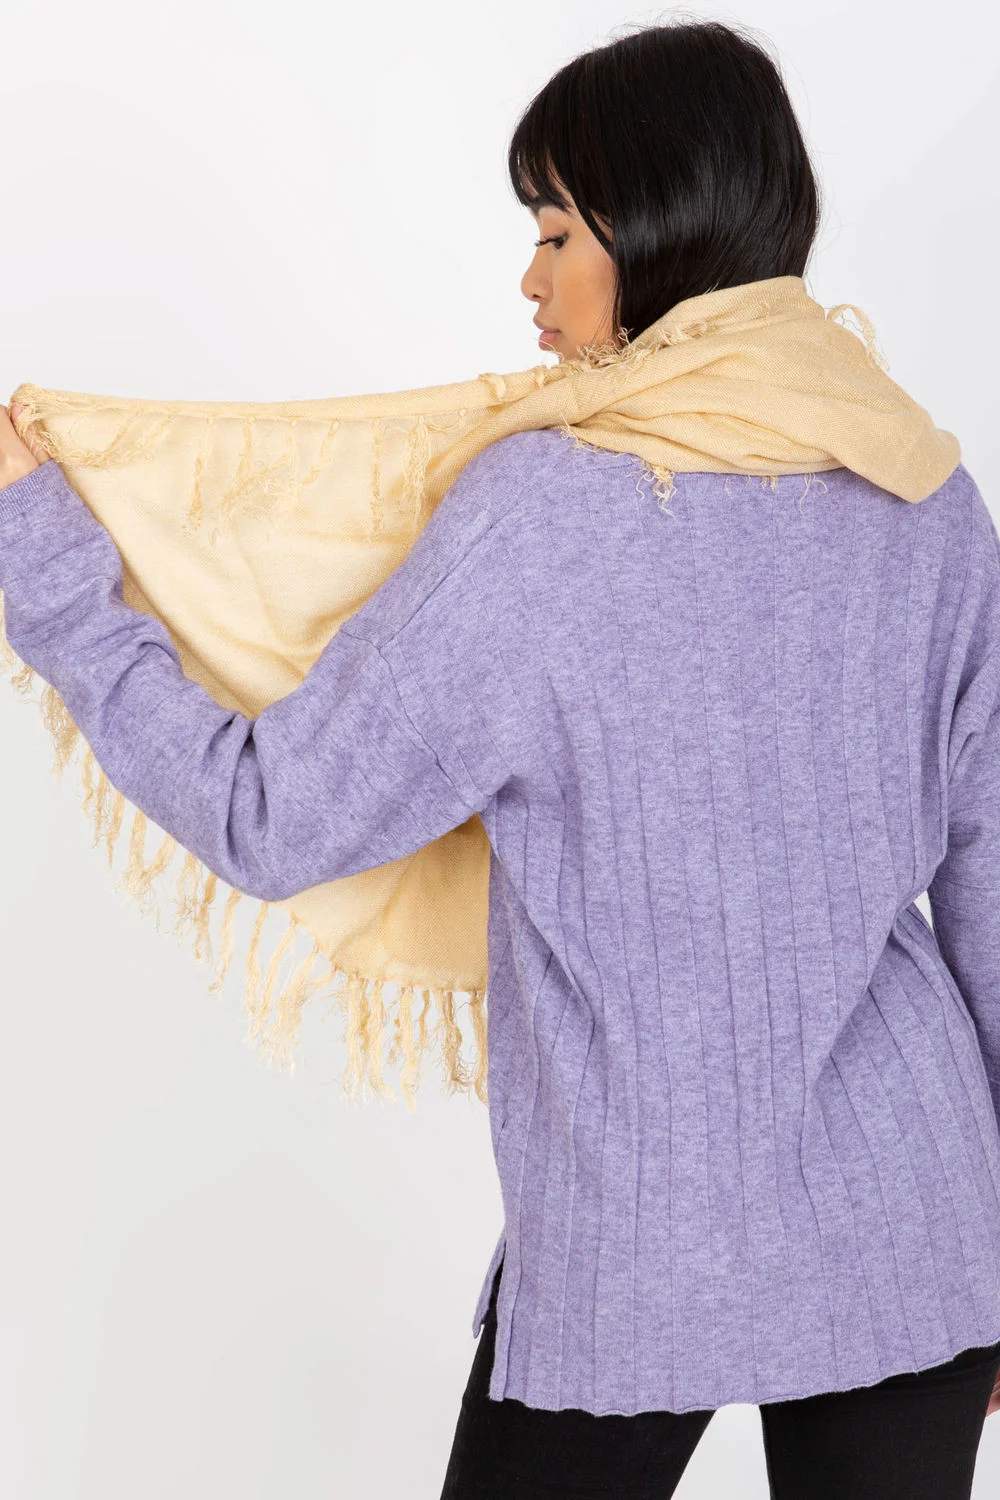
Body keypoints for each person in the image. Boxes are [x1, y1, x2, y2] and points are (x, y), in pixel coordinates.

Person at [1, 17, 999, 1500]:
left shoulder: (545, 513)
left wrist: (48, 560)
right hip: (920, 1214)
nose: (531, 282)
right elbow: (990, 900)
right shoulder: (925, 493)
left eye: (554, 231)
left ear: (656, 228)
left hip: (638, 1234)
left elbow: (272, 816)